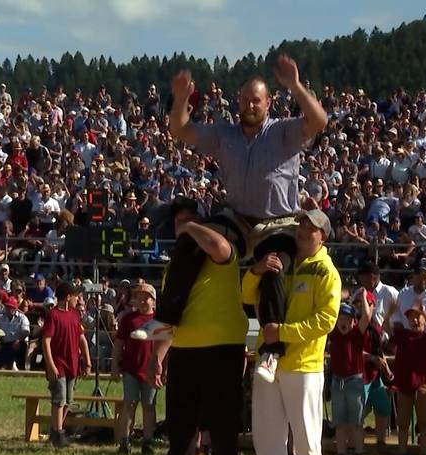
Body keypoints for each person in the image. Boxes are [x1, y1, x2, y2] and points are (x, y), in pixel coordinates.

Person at [135, 55, 328, 387]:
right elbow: (180, 129)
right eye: (244, 99)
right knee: (191, 241)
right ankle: (167, 320)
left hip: (277, 221)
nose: (249, 105)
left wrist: (295, 85)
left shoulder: (284, 131)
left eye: (256, 99)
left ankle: (271, 348)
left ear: (269, 103)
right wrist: (181, 98)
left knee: (273, 267)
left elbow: (319, 120)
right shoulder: (225, 133)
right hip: (237, 217)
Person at [146, 199, 248, 455]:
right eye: (178, 222)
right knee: (180, 424)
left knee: (223, 425)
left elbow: (216, 244)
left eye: (191, 221)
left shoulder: (222, 252)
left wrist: (190, 227)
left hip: (223, 347)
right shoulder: (175, 266)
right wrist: (157, 356)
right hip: (185, 348)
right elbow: (169, 315)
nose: (184, 228)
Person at [244, 209, 340, 455]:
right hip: (270, 361)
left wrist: (282, 333)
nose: (301, 230)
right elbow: (246, 295)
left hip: (304, 364)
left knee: (306, 433)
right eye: (300, 224)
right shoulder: (281, 261)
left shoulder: (326, 271)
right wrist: (255, 271)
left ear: (322, 236)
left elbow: (326, 320)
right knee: (267, 431)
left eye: (309, 228)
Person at [41, 281, 92, 449]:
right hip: (59, 363)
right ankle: (58, 434)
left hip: (73, 363)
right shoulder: (53, 315)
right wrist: (50, 365)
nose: (78, 299)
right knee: (59, 399)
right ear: (68, 297)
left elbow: (82, 339)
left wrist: (87, 361)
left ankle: (57, 430)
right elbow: (46, 341)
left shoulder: (75, 315)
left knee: (68, 401)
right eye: (76, 296)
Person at [389, 302, 426, 455]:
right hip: (404, 383)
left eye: (418, 317)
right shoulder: (402, 334)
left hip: (423, 383)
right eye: (411, 317)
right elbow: (386, 334)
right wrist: (389, 313)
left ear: (424, 319)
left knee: (424, 423)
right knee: (403, 423)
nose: (415, 320)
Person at [327, 296, 372, 455]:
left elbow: (367, 317)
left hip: (354, 380)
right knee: (339, 422)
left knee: (356, 423)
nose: (343, 322)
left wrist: (362, 297)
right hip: (338, 381)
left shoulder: (356, 334)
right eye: (340, 319)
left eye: (347, 319)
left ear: (353, 322)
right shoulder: (334, 334)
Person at [113, 283, 157, 455]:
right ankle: (124, 442)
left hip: (151, 370)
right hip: (131, 369)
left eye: (145, 297)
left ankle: (147, 442)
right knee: (129, 404)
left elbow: (166, 346)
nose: (142, 300)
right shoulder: (128, 319)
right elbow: (118, 344)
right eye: (138, 297)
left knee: (149, 406)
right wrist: (115, 365)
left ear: (153, 301)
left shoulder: (159, 320)